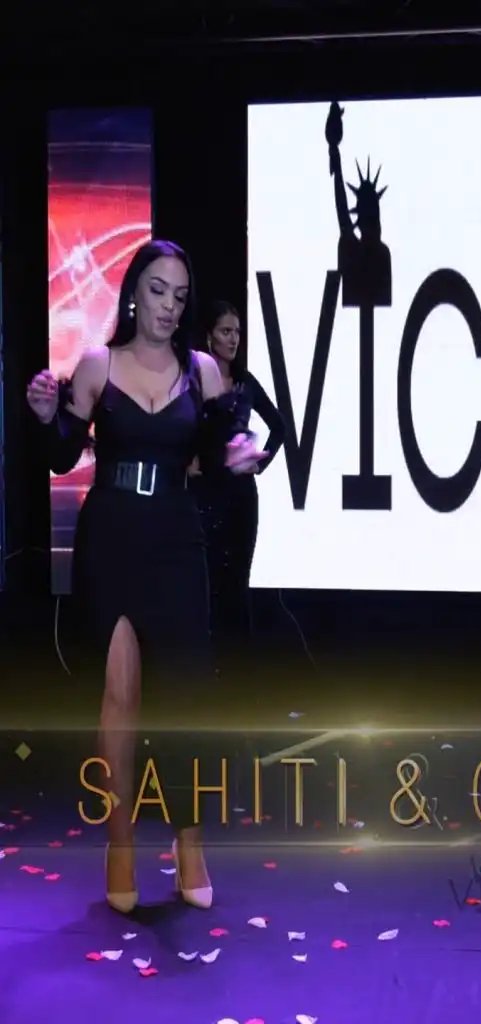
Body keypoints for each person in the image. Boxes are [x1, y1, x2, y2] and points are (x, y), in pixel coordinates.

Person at [26, 240, 265, 914]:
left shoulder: (203, 372)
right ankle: (121, 844)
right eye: (158, 290)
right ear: (134, 292)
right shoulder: (97, 365)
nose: (168, 306)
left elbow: (220, 455)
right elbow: (61, 456)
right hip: (111, 539)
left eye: (180, 296)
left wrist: (238, 456)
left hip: (176, 541)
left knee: (184, 699)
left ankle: (190, 845)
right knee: (120, 698)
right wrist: (45, 418)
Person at [189, 301, 284, 677]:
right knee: (208, 584)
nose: (233, 339)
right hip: (205, 494)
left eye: (237, 332)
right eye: (226, 331)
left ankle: (241, 675)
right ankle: (207, 672)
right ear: (209, 335)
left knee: (238, 585)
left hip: (241, 498)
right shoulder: (193, 380)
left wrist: (259, 464)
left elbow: (279, 426)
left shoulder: (245, 382)